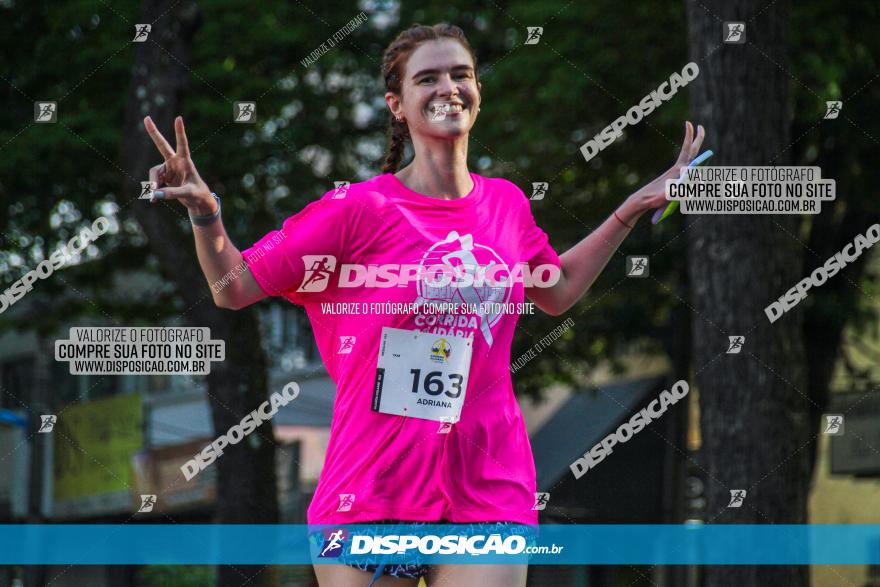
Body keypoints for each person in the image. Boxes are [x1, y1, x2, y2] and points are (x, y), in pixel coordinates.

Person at [142, 22, 705, 587]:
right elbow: (234, 287)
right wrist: (205, 212)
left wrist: (628, 209)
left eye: (461, 74)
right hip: (372, 485)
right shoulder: (356, 209)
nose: (448, 88)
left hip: (488, 481)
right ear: (398, 105)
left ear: (478, 90)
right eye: (428, 78)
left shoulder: (506, 205)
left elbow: (554, 290)